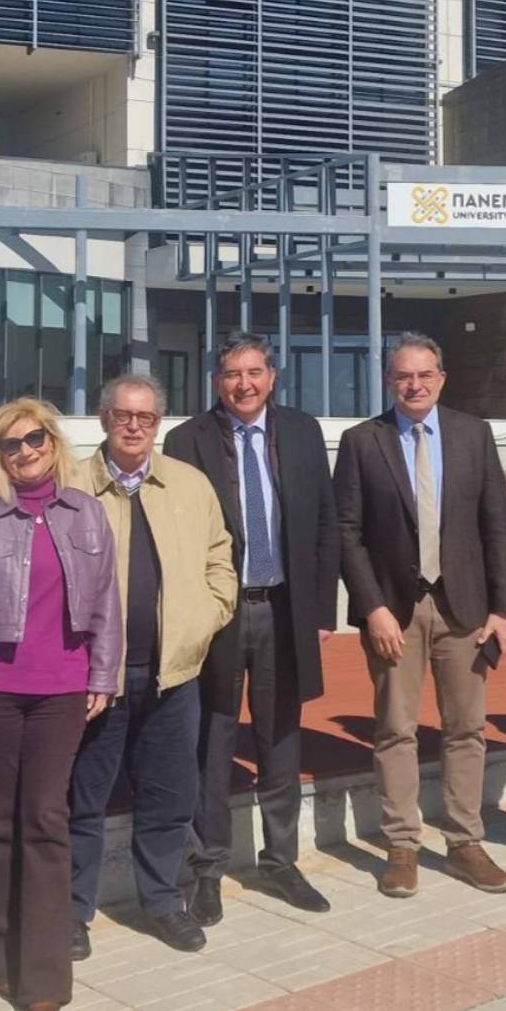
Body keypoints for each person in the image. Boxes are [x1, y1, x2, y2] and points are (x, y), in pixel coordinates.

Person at [0, 398, 122, 1011]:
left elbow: (107, 603)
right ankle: (0, 956)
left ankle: (44, 978)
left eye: (34, 438)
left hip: (61, 692)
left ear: (53, 442)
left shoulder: (87, 513)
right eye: (11, 444)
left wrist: (104, 674)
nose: (25, 451)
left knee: (45, 817)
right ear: (0, 455)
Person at [162, 330, 340, 925]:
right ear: (217, 381)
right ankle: (208, 867)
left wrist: (320, 613)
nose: (244, 384)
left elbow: (324, 524)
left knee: (280, 737)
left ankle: (281, 862)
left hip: (286, 607)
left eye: (254, 372)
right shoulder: (186, 440)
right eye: (233, 374)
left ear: (272, 376)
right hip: (219, 611)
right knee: (212, 739)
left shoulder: (302, 431)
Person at [334, 333, 506, 899]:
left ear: (441, 378)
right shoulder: (363, 441)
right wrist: (372, 608)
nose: (413, 385)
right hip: (395, 609)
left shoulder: (473, 434)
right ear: (389, 381)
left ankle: (465, 842)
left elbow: (495, 524)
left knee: (466, 728)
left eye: (424, 375)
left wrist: (503, 608)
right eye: (402, 376)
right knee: (395, 729)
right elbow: (347, 532)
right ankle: (402, 846)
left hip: (464, 608)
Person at [70, 374, 237, 957]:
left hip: (174, 676)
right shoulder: (72, 486)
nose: (134, 426)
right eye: (123, 415)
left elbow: (220, 557)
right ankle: (71, 913)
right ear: (104, 419)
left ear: (158, 423)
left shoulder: (189, 485)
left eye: (145, 417)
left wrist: (205, 618)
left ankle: (164, 903)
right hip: (97, 681)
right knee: (82, 801)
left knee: (169, 800)